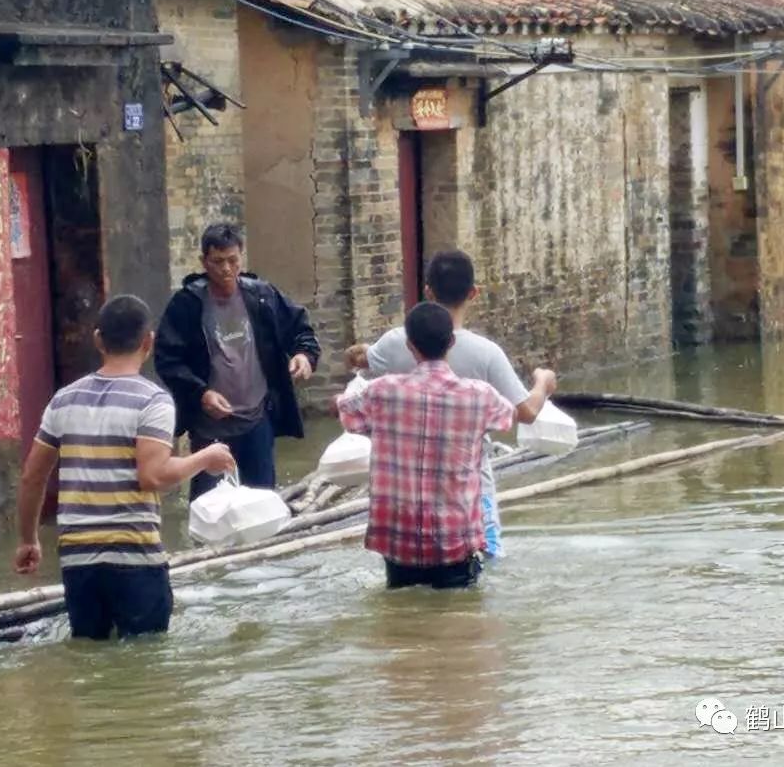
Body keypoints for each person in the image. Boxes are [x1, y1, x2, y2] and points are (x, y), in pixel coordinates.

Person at [13, 295, 235, 640]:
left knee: (90, 661)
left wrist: (28, 540)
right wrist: (205, 458)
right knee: (146, 665)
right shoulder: (153, 400)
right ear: (149, 341)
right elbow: (154, 476)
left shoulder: (64, 399)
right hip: (134, 558)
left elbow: (32, 476)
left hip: (78, 561)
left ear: (98, 340)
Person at [345, 250, 557, 559]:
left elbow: (359, 362)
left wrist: (361, 351)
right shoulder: (485, 355)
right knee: (482, 563)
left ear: (428, 292)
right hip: (466, 486)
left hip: (406, 494)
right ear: (473, 293)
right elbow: (525, 412)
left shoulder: (394, 344)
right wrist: (543, 382)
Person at [337, 302, 515, 589]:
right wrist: (543, 384)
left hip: (399, 546)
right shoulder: (480, 396)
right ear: (452, 342)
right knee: (459, 623)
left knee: (402, 624)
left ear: (410, 346)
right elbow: (509, 417)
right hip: (455, 546)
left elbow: (346, 414)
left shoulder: (382, 392)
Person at [154, 222, 320, 500]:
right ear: (204, 262)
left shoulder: (262, 296)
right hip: (210, 426)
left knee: (261, 500)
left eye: (233, 260)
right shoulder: (187, 304)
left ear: (242, 257)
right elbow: (168, 359)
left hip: (257, 417)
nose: (227, 269)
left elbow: (300, 328)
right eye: (218, 262)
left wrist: (304, 355)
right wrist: (201, 393)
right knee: (210, 504)